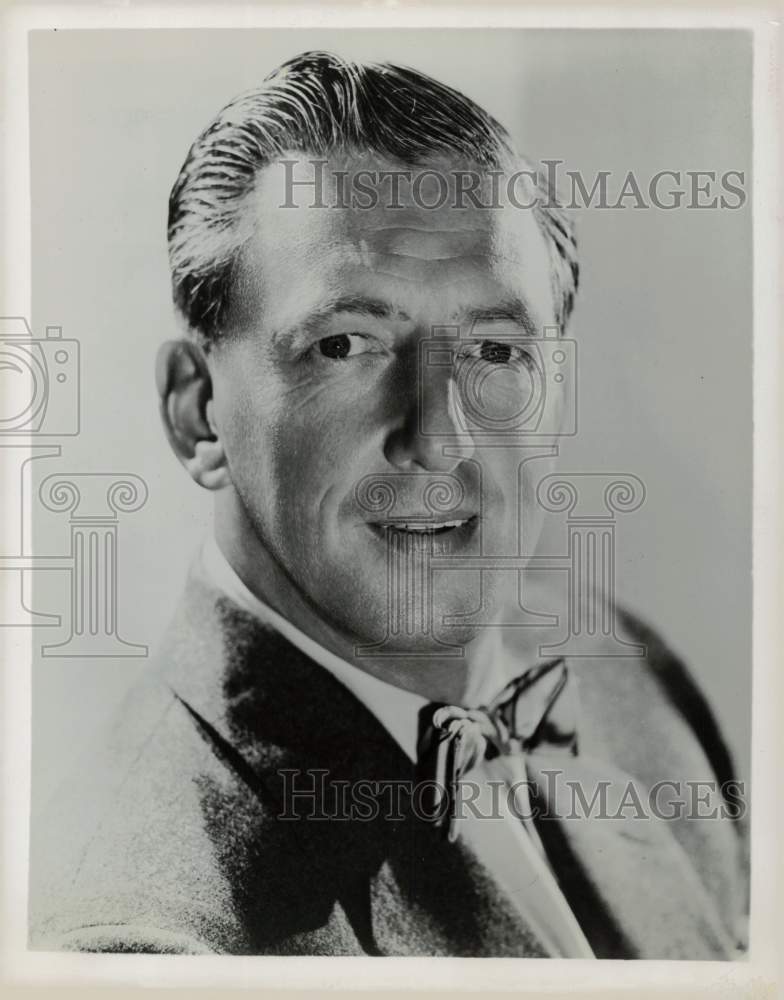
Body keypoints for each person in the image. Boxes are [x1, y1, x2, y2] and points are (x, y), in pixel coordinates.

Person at [29, 51, 748, 958]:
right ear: (197, 410)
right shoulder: (138, 939)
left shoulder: (635, 691)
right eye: (347, 345)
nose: (438, 439)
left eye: (496, 352)